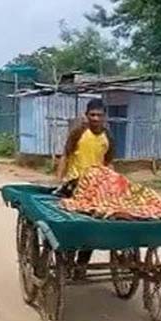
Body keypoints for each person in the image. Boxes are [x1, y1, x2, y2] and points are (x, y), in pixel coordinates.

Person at [56, 98, 115, 279]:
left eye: (99, 115)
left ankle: (81, 266)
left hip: (96, 186)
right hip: (75, 184)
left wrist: (113, 184)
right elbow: (65, 156)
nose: (96, 118)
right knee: (75, 226)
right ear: (86, 115)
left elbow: (109, 162)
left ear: (105, 117)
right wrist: (59, 180)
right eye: (92, 115)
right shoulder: (78, 133)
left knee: (93, 228)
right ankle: (67, 260)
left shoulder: (108, 137)